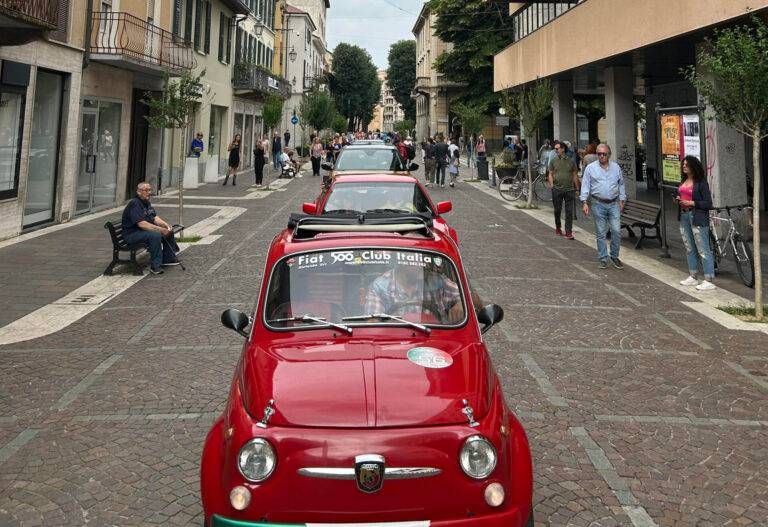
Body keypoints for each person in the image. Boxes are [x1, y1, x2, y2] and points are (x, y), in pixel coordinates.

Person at [363, 262, 464, 324]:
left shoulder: (435, 280)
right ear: (400, 262)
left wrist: (461, 304)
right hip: (394, 342)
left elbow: (472, 300)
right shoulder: (380, 286)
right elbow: (372, 323)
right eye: (410, 260)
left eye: (420, 260)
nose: (417, 265)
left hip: (434, 341)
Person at [580, 143, 626, 269]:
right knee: (601, 233)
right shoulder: (590, 168)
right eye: (599, 154)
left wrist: (622, 199)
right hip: (598, 203)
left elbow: (621, 183)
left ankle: (614, 256)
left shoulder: (616, 167)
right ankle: (603, 258)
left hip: (613, 203)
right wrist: (584, 201)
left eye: (603, 154)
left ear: (609, 155)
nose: (601, 156)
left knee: (616, 231)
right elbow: (585, 185)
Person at [676, 156, 716, 290]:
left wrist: (692, 203)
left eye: (687, 165)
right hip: (684, 215)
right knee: (689, 247)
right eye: (683, 165)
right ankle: (693, 275)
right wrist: (678, 200)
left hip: (697, 216)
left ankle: (709, 278)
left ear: (694, 166)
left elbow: (708, 203)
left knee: (703, 248)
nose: (684, 167)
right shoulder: (684, 181)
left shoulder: (701, 183)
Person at [121, 183, 179, 275]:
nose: (149, 192)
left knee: (169, 231)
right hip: (132, 234)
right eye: (146, 190)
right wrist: (159, 229)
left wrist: (165, 225)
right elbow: (142, 224)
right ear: (139, 192)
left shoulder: (146, 202)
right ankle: (155, 266)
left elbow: (154, 217)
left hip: (142, 232)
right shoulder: (134, 203)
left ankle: (168, 258)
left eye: (150, 190)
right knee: (155, 235)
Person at [548, 140, 580, 239]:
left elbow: (575, 175)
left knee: (569, 211)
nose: (555, 150)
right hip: (557, 189)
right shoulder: (553, 160)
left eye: (557, 148)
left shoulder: (571, 161)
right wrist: (552, 185)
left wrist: (577, 189)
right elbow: (550, 173)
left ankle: (568, 231)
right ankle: (558, 227)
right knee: (557, 210)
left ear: (563, 149)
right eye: (555, 149)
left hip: (569, 190)